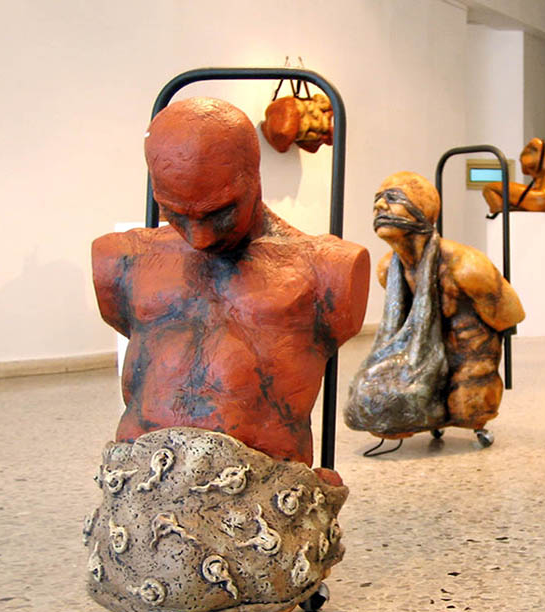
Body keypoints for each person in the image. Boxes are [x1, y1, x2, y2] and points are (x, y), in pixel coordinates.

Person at [92, 97, 370, 467]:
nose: (200, 238)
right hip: (139, 479)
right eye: (174, 213)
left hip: (260, 484)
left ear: (254, 175)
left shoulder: (328, 269)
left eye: (220, 213)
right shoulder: (121, 259)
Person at [351, 171, 524, 437]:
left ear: (423, 210)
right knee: (369, 398)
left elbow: (510, 316)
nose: (380, 206)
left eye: (393, 198)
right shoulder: (388, 269)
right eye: (377, 199)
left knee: (466, 409)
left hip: (469, 362)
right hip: (418, 362)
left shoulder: (467, 267)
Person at [482, 137, 545, 214]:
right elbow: (526, 170)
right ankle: (504, 213)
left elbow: (525, 167)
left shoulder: (535, 149)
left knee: (489, 188)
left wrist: (522, 157)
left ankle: (501, 216)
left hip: (542, 198)